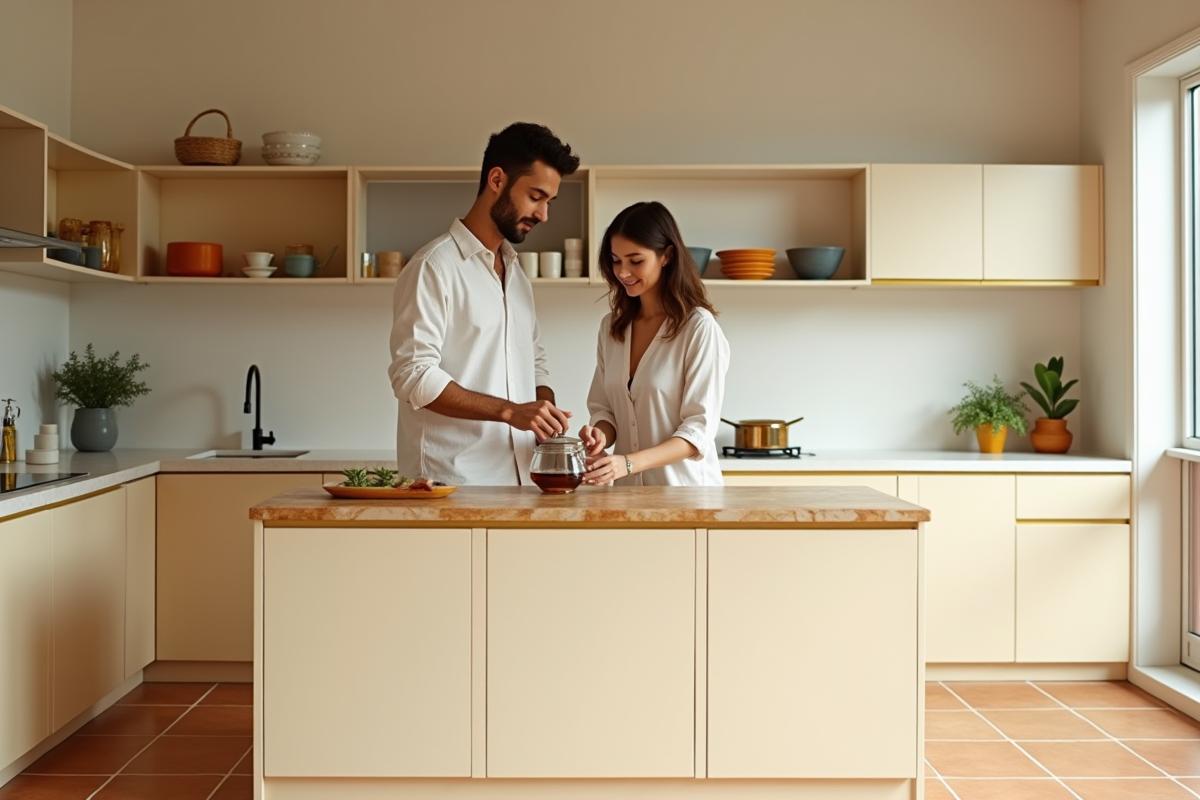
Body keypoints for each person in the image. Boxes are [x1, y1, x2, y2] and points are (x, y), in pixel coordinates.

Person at [388, 122, 580, 485]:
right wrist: (510, 411)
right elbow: (413, 375)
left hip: (520, 482)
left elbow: (534, 363)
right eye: (535, 196)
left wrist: (544, 413)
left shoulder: (517, 275)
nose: (544, 215)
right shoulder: (433, 267)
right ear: (497, 180)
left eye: (549, 202)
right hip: (451, 485)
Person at [579, 201, 730, 486]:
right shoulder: (611, 328)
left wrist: (627, 463)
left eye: (635, 261)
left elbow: (698, 431)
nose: (622, 272)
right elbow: (604, 409)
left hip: (685, 497)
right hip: (627, 498)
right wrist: (600, 434)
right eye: (615, 260)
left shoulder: (698, 327)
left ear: (667, 256)